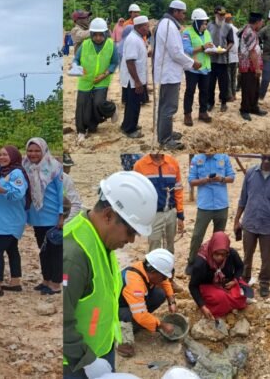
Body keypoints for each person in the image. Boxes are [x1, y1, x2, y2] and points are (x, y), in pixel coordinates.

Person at [63, 171, 157, 377]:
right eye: (131, 232)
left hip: (100, 349)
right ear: (108, 216)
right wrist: (85, 360)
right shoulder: (73, 255)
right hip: (76, 362)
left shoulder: (102, 240)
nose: (132, 241)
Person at [233, 154, 270, 297]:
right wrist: (237, 220)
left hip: (269, 224)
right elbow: (243, 198)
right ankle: (244, 279)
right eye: (263, 158)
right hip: (250, 222)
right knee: (247, 254)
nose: (266, 161)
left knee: (267, 257)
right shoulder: (251, 173)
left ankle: (264, 283)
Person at [0, 146, 30, 298]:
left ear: (14, 157)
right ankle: (15, 282)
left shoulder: (17, 173)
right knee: (11, 249)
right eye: (1, 154)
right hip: (5, 219)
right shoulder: (6, 172)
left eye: (6, 155)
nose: (2, 157)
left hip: (11, 221)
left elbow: (17, 193)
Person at [154, 0, 201, 150]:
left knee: (165, 106)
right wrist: (192, 63)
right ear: (175, 12)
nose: (184, 15)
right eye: (183, 12)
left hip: (168, 71)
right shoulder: (168, 25)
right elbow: (175, 52)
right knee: (169, 107)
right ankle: (165, 140)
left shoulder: (167, 24)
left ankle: (165, 133)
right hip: (168, 73)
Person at [117, 249, 177, 358]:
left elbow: (165, 282)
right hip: (117, 307)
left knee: (159, 294)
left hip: (132, 301)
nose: (164, 279)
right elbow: (140, 314)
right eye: (163, 276)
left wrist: (171, 301)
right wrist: (162, 325)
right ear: (154, 272)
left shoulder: (146, 268)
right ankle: (122, 341)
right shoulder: (135, 283)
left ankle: (144, 322)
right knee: (128, 315)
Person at [23, 137, 63, 295]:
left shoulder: (55, 167)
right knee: (43, 250)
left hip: (53, 217)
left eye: (36, 150)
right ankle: (46, 280)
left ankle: (55, 284)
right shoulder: (26, 166)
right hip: (37, 217)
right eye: (30, 150)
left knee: (55, 252)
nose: (33, 154)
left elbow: (62, 193)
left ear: (44, 150)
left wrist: (62, 216)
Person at [186, 153, 236, 275]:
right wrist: (205, 180)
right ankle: (191, 262)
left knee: (219, 237)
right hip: (205, 205)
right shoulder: (197, 159)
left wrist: (221, 179)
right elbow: (191, 181)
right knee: (197, 235)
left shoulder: (223, 158)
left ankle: (217, 264)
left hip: (221, 204)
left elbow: (232, 177)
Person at [73, 17, 120, 141]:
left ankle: (112, 108)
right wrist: (75, 66)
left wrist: (105, 74)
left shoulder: (111, 45)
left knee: (98, 103)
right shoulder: (85, 45)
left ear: (105, 34)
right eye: (95, 35)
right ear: (91, 34)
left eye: (101, 35)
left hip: (102, 79)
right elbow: (76, 59)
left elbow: (114, 63)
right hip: (86, 80)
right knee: (82, 105)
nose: (98, 38)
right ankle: (82, 131)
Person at [188, 232, 251, 319]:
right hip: (208, 285)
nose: (220, 258)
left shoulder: (231, 253)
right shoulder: (201, 262)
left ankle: (227, 304)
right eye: (216, 254)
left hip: (228, 282)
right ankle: (226, 304)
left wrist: (234, 280)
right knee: (221, 298)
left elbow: (240, 267)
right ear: (212, 250)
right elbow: (193, 286)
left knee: (244, 291)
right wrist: (202, 306)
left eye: (223, 255)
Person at [133, 153, 184, 253]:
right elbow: (136, 193)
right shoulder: (140, 165)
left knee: (170, 245)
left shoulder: (173, 163)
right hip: (153, 215)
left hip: (171, 213)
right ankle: (153, 268)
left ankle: (168, 267)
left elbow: (178, 190)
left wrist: (180, 215)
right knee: (154, 246)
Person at [182, 8, 215, 126]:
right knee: (190, 91)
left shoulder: (207, 33)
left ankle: (203, 112)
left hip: (206, 68)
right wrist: (202, 47)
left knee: (205, 91)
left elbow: (210, 46)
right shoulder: (187, 32)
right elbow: (187, 50)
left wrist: (212, 50)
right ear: (196, 22)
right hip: (193, 68)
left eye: (206, 23)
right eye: (203, 23)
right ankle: (187, 114)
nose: (205, 25)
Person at [119, 15, 149, 138]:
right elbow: (130, 62)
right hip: (133, 79)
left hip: (136, 77)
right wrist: (137, 81)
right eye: (146, 26)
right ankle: (130, 129)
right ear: (139, 27)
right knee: (134, 104)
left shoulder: (138, 38)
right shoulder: (133, 39)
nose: (148, 28)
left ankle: (127, 124)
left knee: (132, 103)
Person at [238, 12, 267, 120]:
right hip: (249, 65)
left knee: (255, 88)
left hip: (253, 64)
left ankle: (253, 107)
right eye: (262, 22)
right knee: (248, 88)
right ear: (257, 22)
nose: (262, 24)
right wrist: (257, 68)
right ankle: (244, 109)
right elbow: (252, 52)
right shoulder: (250, 32)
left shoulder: (251, 30)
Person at [207, 6, 235, 111]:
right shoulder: (209, 26)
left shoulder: (228, 27)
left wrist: (226, 50)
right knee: (210, 83)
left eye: (223, 15)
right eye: (220, 15)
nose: (222, 17)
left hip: (223, 60)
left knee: (224, 83)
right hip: (211, 59)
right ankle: (210, 103)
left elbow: (231, 41)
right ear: (215, 14)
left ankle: (223, 102)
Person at [226, 13, 240, 99]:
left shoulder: (226, 29)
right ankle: (234, 94)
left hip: (228, 54)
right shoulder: (236, 29)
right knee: (233, 76)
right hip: (235, 55)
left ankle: (229, 95)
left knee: (228, 77)